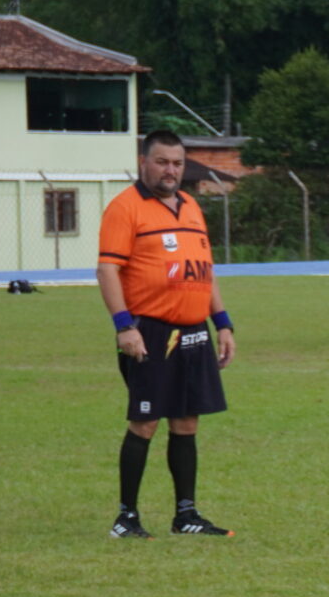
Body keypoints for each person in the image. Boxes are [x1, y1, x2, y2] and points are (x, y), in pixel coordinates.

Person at [97, 129, 235, 538]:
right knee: (145, 422)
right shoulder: (125, 208)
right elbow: (107, 270)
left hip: (194, 331)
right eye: (162, 162)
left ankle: (186, 515)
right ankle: (126, 517)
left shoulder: (192, 205)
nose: (170, 170)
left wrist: (223, 323)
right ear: (144, 162)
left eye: (177, 163)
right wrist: (124, 326)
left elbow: (204, 271)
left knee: (187, 421)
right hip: (150, 331)